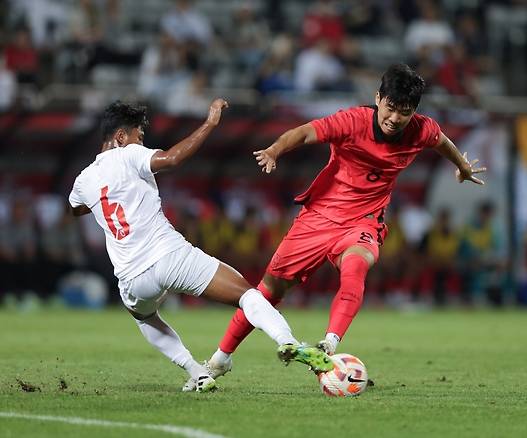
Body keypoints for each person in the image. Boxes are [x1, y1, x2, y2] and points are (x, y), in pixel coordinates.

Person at [208, 63, 485, 378]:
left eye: (404, 112)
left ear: (414, 112)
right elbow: (304, 132)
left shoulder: (422, 129)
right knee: (268, 291)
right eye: (391, 108)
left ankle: (329, 344)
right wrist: (275, 149)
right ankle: (221, 358)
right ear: (378, 98)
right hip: (320, 216)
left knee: (356, 266)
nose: (395, 118)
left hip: (364, 221)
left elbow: (441, 141)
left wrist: (462, 165)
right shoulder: (351, 121)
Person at [68, 99, 332, 393]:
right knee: (247, 295)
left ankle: (196, 371)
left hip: (131, 279)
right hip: (169, 256)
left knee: (144, 318)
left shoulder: (83, 180)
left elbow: (76, 208)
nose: (141, 143)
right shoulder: (127, 155)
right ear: (120, 137)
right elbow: (170, 160)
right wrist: (209, 124)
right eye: (138, 136)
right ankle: (287, 342)